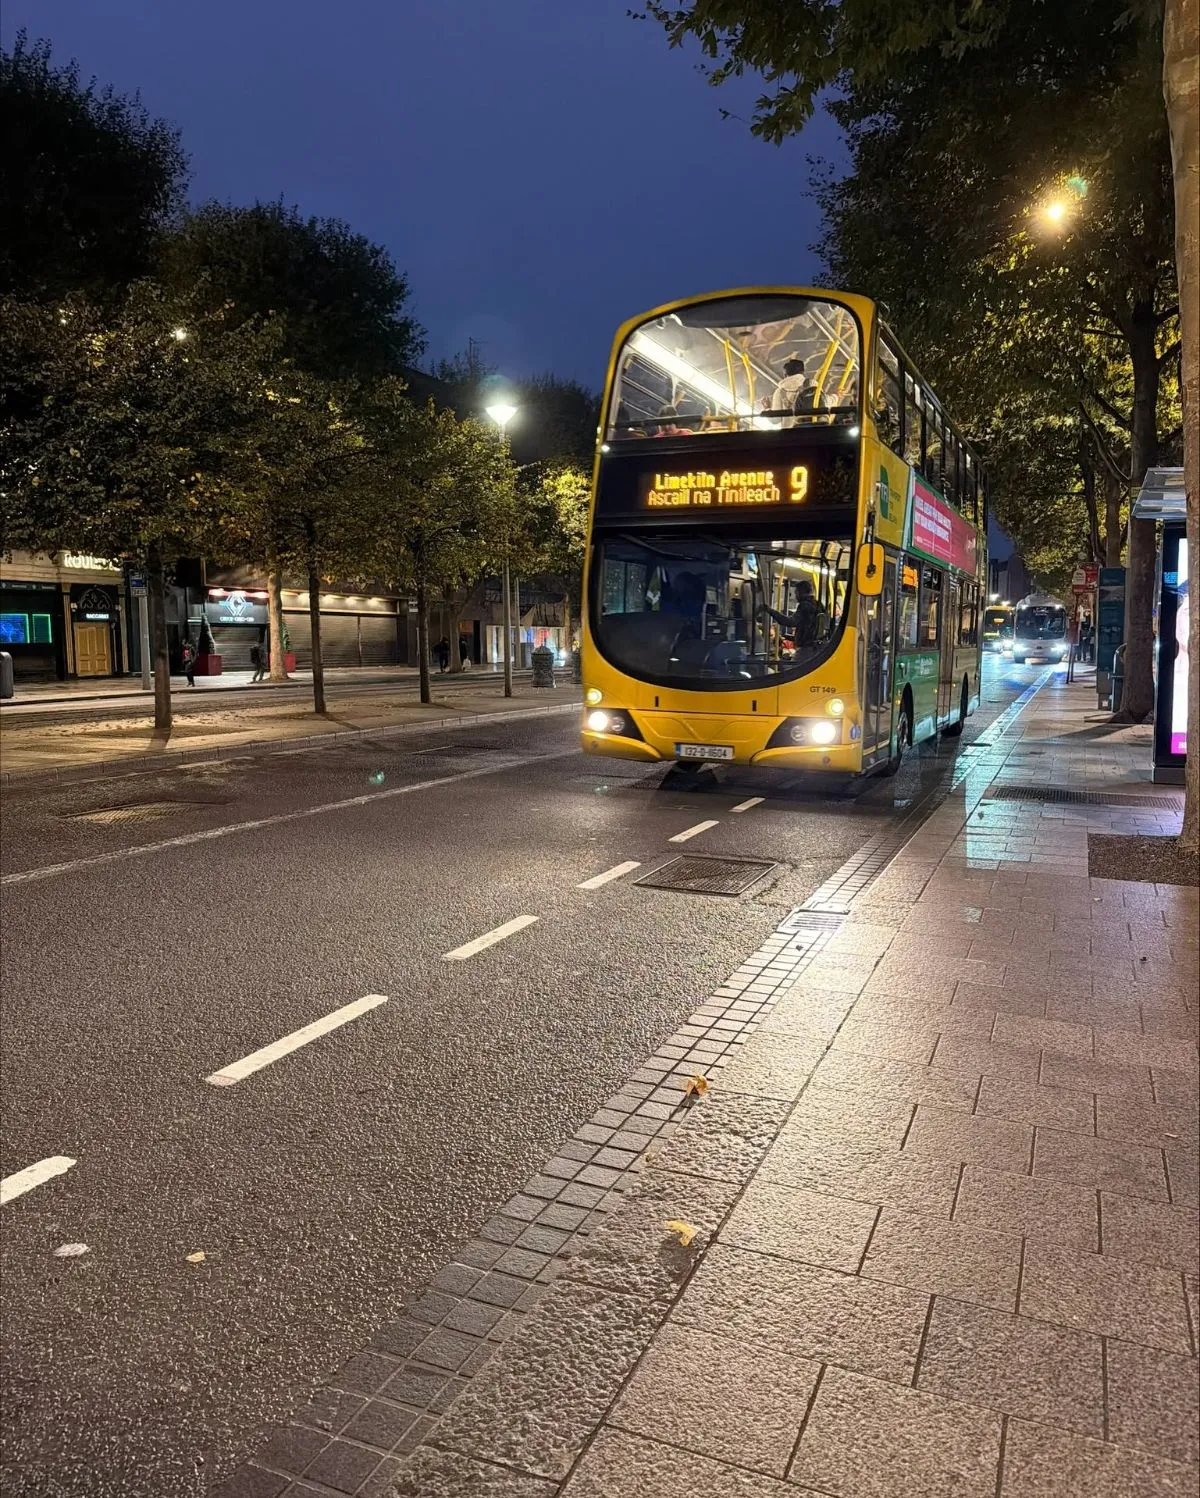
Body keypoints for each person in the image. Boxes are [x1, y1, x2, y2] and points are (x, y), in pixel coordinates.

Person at [760, 578, 828, 649]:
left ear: (801, 592)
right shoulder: (819, 605)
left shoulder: (805, 605)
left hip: (806, 649)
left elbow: (790, 622)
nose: (795, 596)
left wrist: (770, 611)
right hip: (816, 648)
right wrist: (791, 637)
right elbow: (812, 629)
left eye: (796, 593)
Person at [762, 357, 822, 427]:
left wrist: (767, 409)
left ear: (785, 374)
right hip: (813, 430)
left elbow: (775, 419)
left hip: (790, 434)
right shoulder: (813, 385)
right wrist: (836, 396)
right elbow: (825, 402)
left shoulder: (779, 392)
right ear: (802, 372)